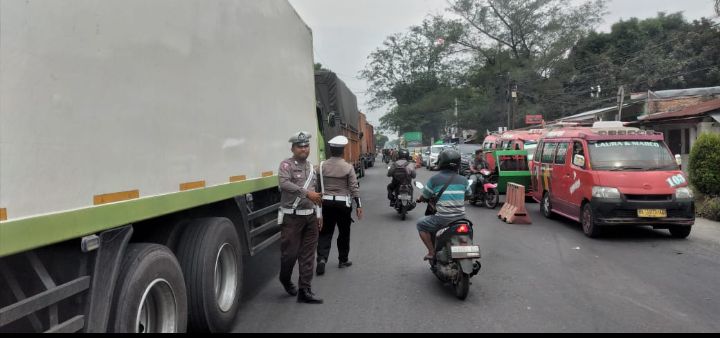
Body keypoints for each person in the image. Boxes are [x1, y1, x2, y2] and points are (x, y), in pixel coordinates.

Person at [278, 131, 324, 304]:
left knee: (307, 255)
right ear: (293, 148)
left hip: (311, 217)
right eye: (300, 146)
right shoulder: (286, 165)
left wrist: (319, 213)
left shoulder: (312, 167)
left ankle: (305, 290)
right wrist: (306, 193)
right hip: (292, 218)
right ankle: (284, 278)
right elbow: (284, 183)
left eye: (306, 146)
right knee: (289, 255)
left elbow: (317, 194)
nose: (304, 149)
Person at [316, 136, 364, 275]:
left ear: (330, 150)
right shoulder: (347, 167)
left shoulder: (321, 166)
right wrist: (359, 205)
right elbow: (354, 187)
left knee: (325, 232)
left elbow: (317, 187)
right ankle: (343, 260)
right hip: (343, 204)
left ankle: (322, 259)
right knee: (344, 232)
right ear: (342, 151)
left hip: (326, 203)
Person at [416, 149, 471, 261]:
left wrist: (420, 198)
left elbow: (425, 196)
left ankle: (431, 252)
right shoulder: (464, 180)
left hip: (443, 219)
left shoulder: (434, 179)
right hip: (461, 218)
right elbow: (469, 195)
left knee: (420, 224)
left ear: (441, 162)